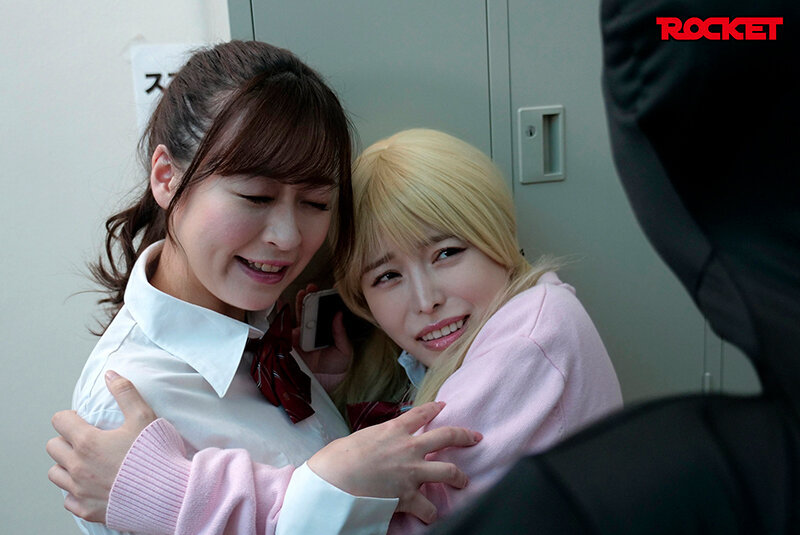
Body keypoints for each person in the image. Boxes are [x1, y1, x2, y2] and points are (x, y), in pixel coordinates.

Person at [49, 128, 623, 533]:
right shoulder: (121, 395)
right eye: (387, 276)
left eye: (447, 252)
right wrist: (326, 401)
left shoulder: (529, 340)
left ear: (495, 233)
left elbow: (378, 520)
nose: (426, 299)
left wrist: (166, 491)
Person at [48, 42, 481, 535]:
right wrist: (335, 484)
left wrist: (325, 400)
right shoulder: (125, 405)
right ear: (166, 178)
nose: (289, 237)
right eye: (255, 197)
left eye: (316, 203)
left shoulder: (264, 330)